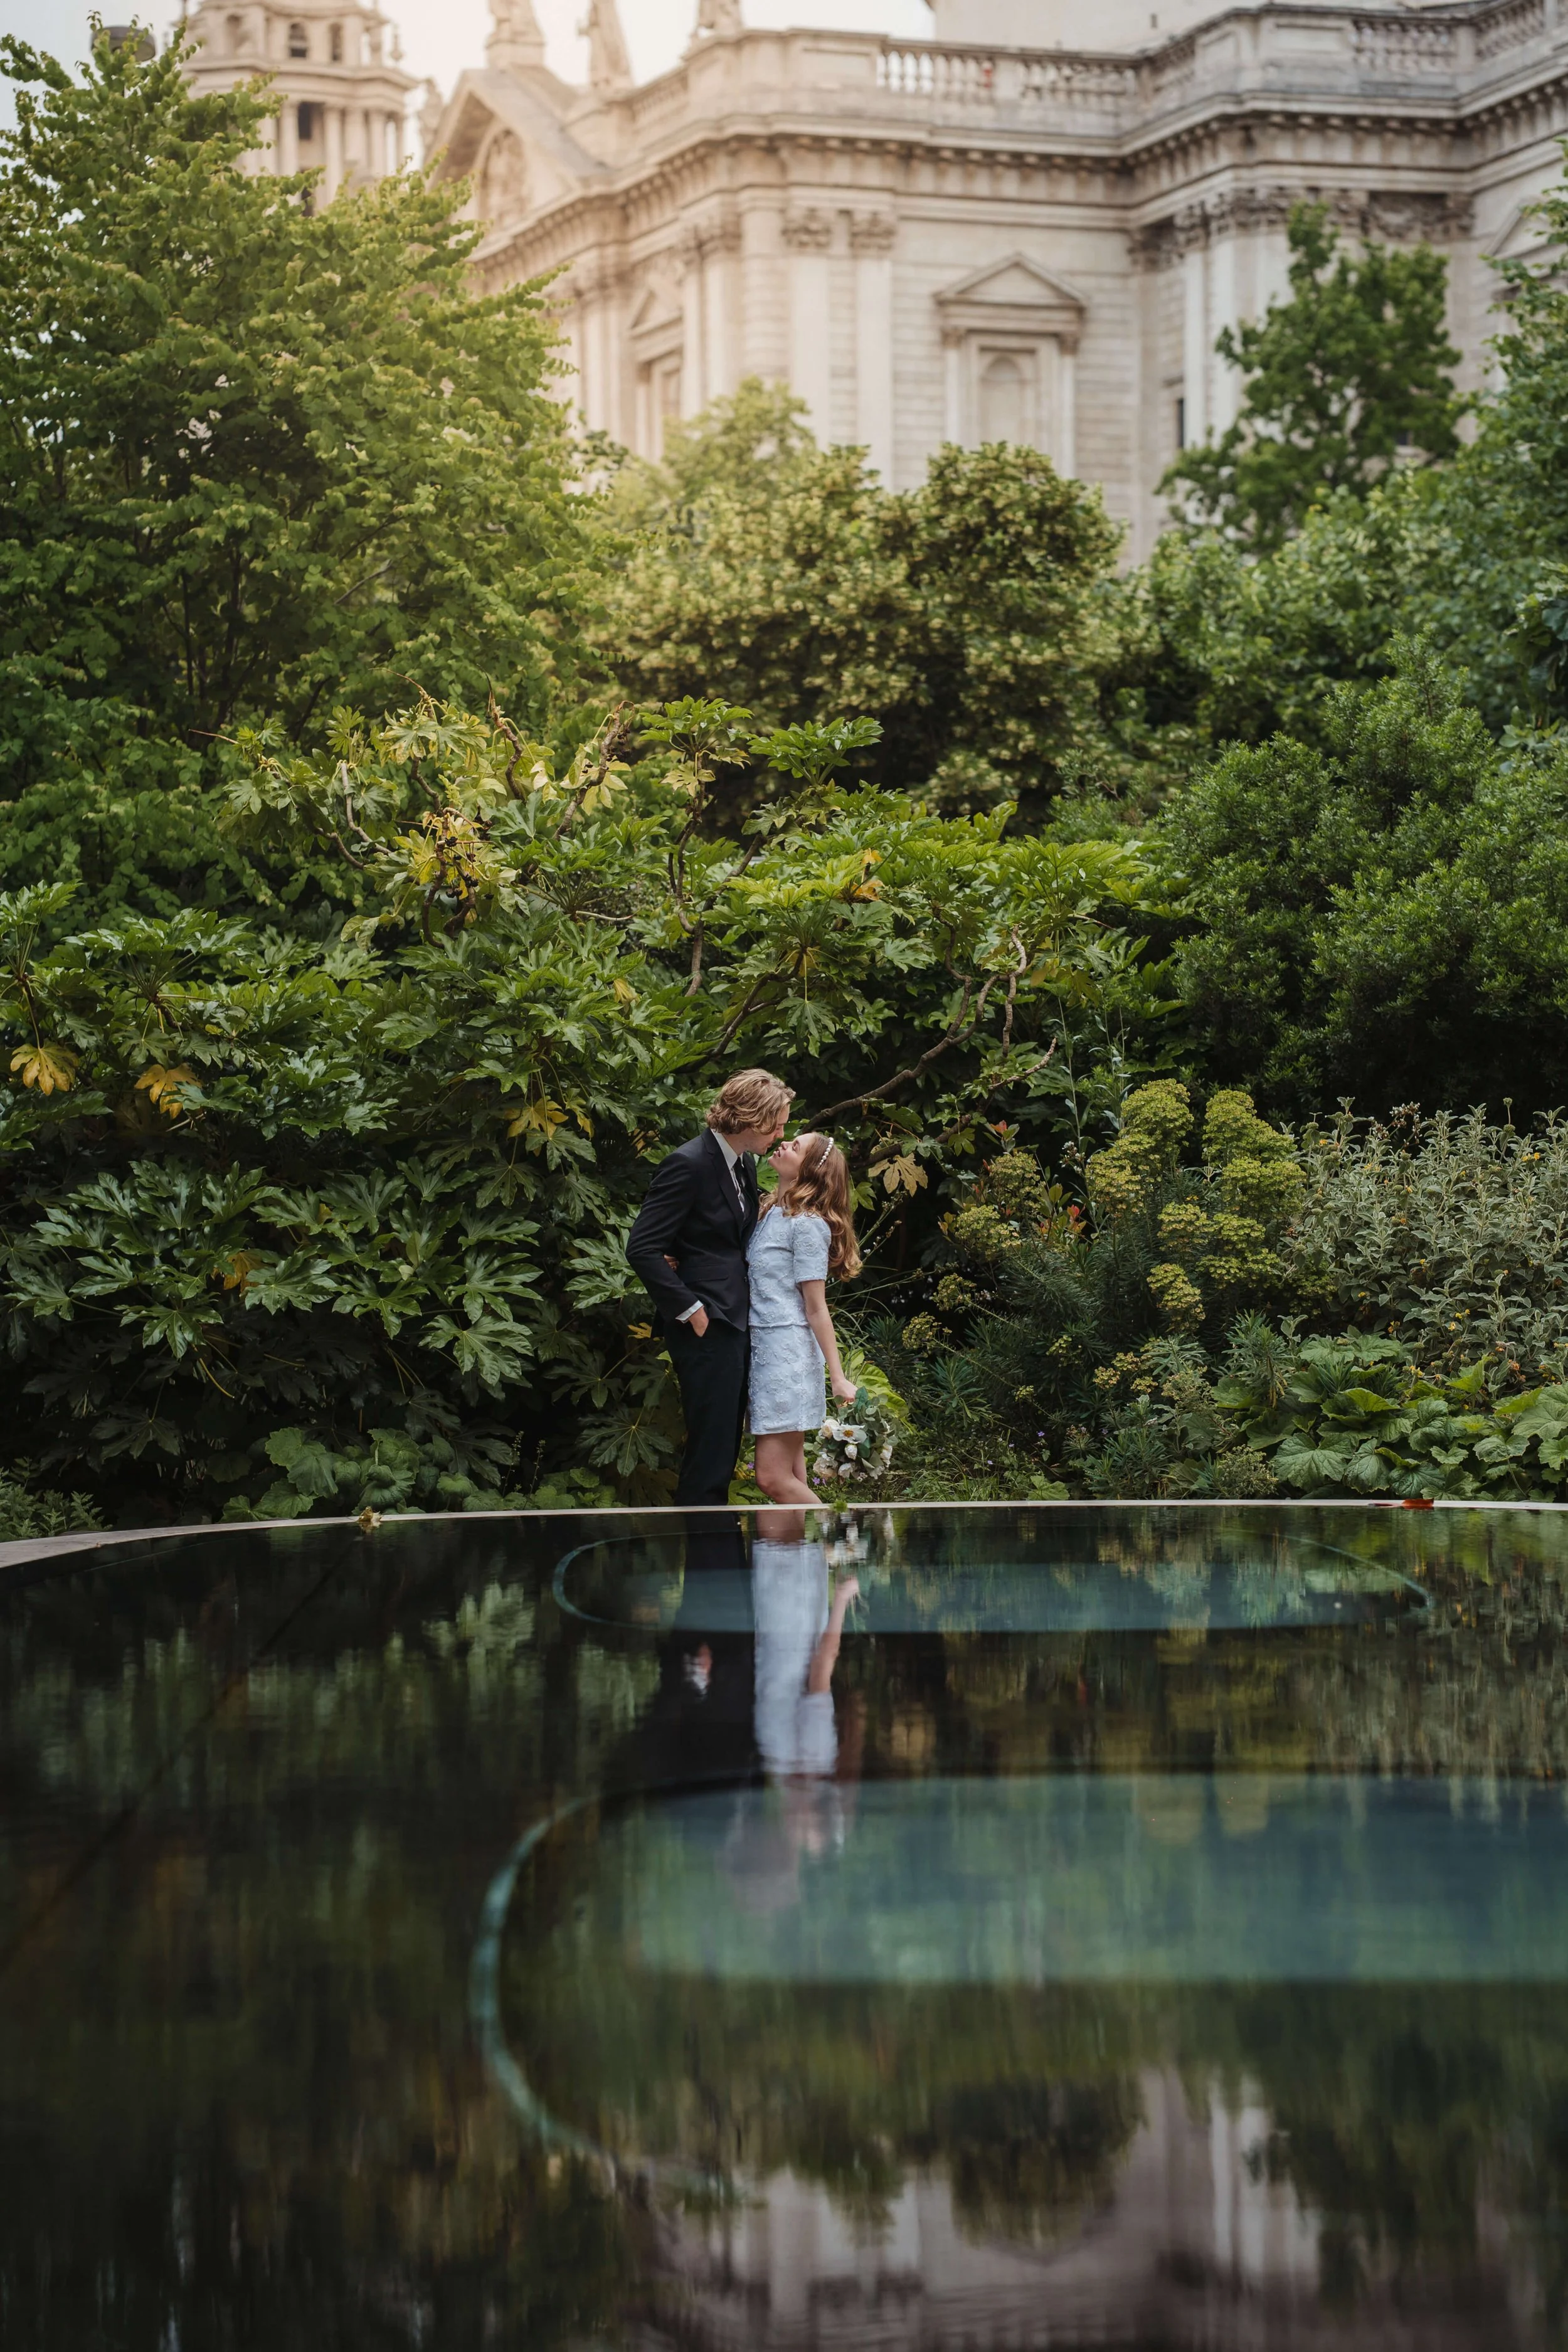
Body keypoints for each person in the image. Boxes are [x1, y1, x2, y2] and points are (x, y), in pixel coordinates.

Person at [625, 1069, 793, 1505]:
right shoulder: (689, 1163)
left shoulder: (744, 1166)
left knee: (723, 1451)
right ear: (752, 1118)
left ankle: (720, 1566)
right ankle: (707, 1566)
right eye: (777, 1123)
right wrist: (691, 1310)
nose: (782, 1132)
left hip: (734, 1323)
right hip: (707, 1325)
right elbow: (643, 1247)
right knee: (709, 1457)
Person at [746, 1131, 861, 1505]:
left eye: (796, 1147)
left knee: (771, 1478)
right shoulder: (769, 1213)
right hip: (765, 1352)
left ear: (811, 1169)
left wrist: (838, 1377)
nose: (784, 1144)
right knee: (793, 1475)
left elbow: (816, 1307)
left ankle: (843, 1538)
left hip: (786, 1357)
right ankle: (802, 1562)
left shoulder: (808, 1224)